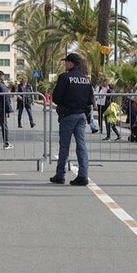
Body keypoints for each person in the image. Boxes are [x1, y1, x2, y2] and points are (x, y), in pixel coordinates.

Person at [49, 52, 93, 185]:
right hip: (81, 115)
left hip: (68, 115)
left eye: (66, 61)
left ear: (71, 63)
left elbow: (56, 97)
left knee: (64, 146)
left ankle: (60, 174)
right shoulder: (86, 79)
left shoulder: (64, 77)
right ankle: (83, 175)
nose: (65, 64)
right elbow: (90, 100)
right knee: (81, 145)